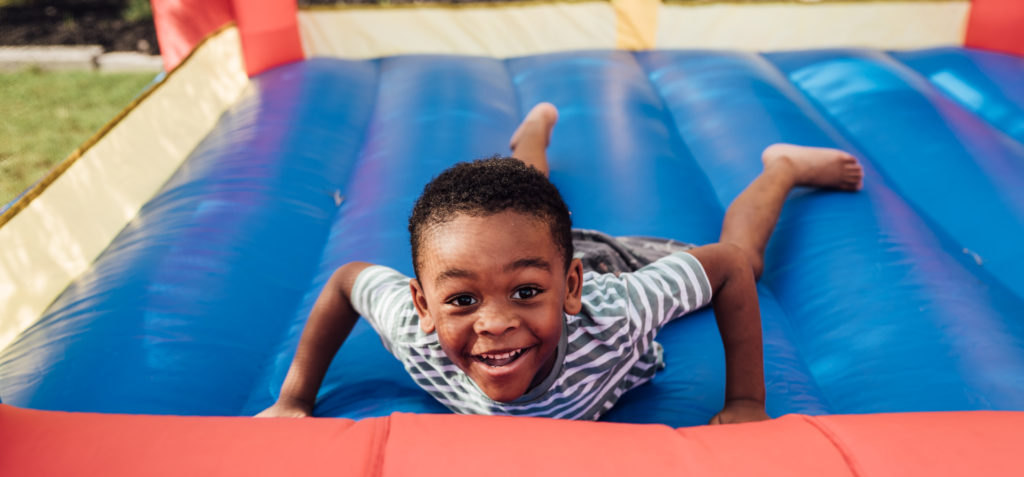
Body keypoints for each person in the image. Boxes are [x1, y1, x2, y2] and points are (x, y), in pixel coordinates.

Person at [257, 103, 863, 424]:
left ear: (570, 289)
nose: (494, 324)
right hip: (537, 253)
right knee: (522, 210)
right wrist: (294, 398)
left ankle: (782, 166)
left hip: (608, 262)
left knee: (751, 263)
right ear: (422, 305)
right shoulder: (417, 337)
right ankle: (534, 132)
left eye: (522, 295)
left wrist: (747, 403)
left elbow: (727, 263)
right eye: (462, 301)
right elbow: (345, 283)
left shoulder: (619, 310)